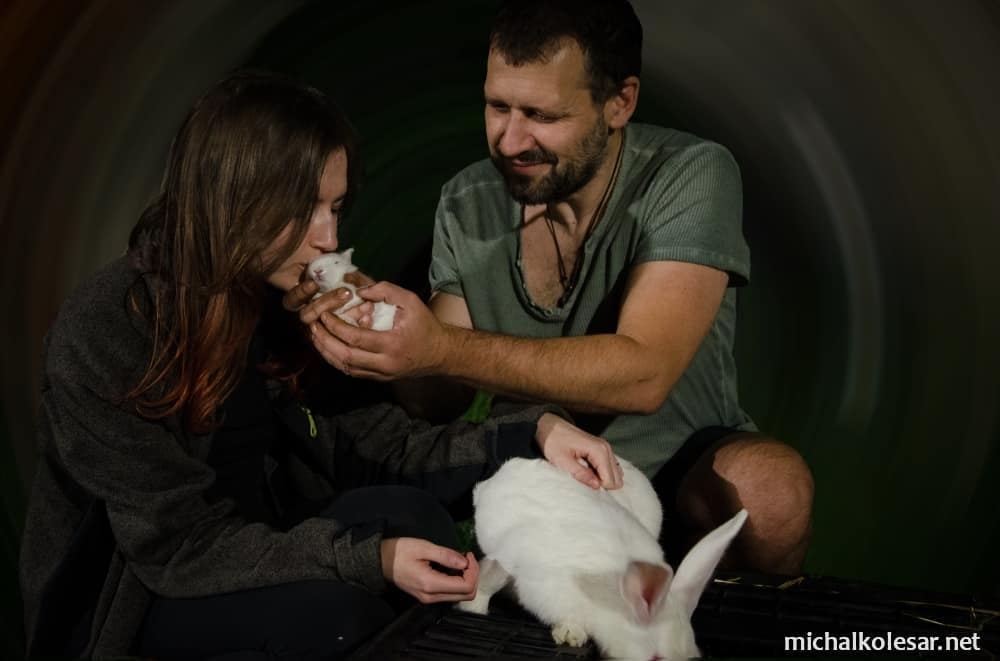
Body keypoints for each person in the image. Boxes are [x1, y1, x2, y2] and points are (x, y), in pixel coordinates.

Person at [18, 69, 623, 660]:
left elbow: (384, 447)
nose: (329, 239)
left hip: (270, 546)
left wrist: (532, 434)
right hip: (151, 591)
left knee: (412, 518)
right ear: (236, 198)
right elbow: (175, 545)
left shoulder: (290, 300)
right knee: (335, 616)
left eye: (335, 207)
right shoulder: (109, 324)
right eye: (305, 209)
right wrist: (370, 559)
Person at [286, 0, 814, 576]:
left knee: (772, 491)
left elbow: (645, 375)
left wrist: (440, 346)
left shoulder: (690, 172)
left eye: (542, 115)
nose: (510, 141)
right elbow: (438, 397)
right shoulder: (466, 200)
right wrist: (372, 319)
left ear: (620, 102)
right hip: (543, 471)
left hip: (682, 468)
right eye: (497, 107)